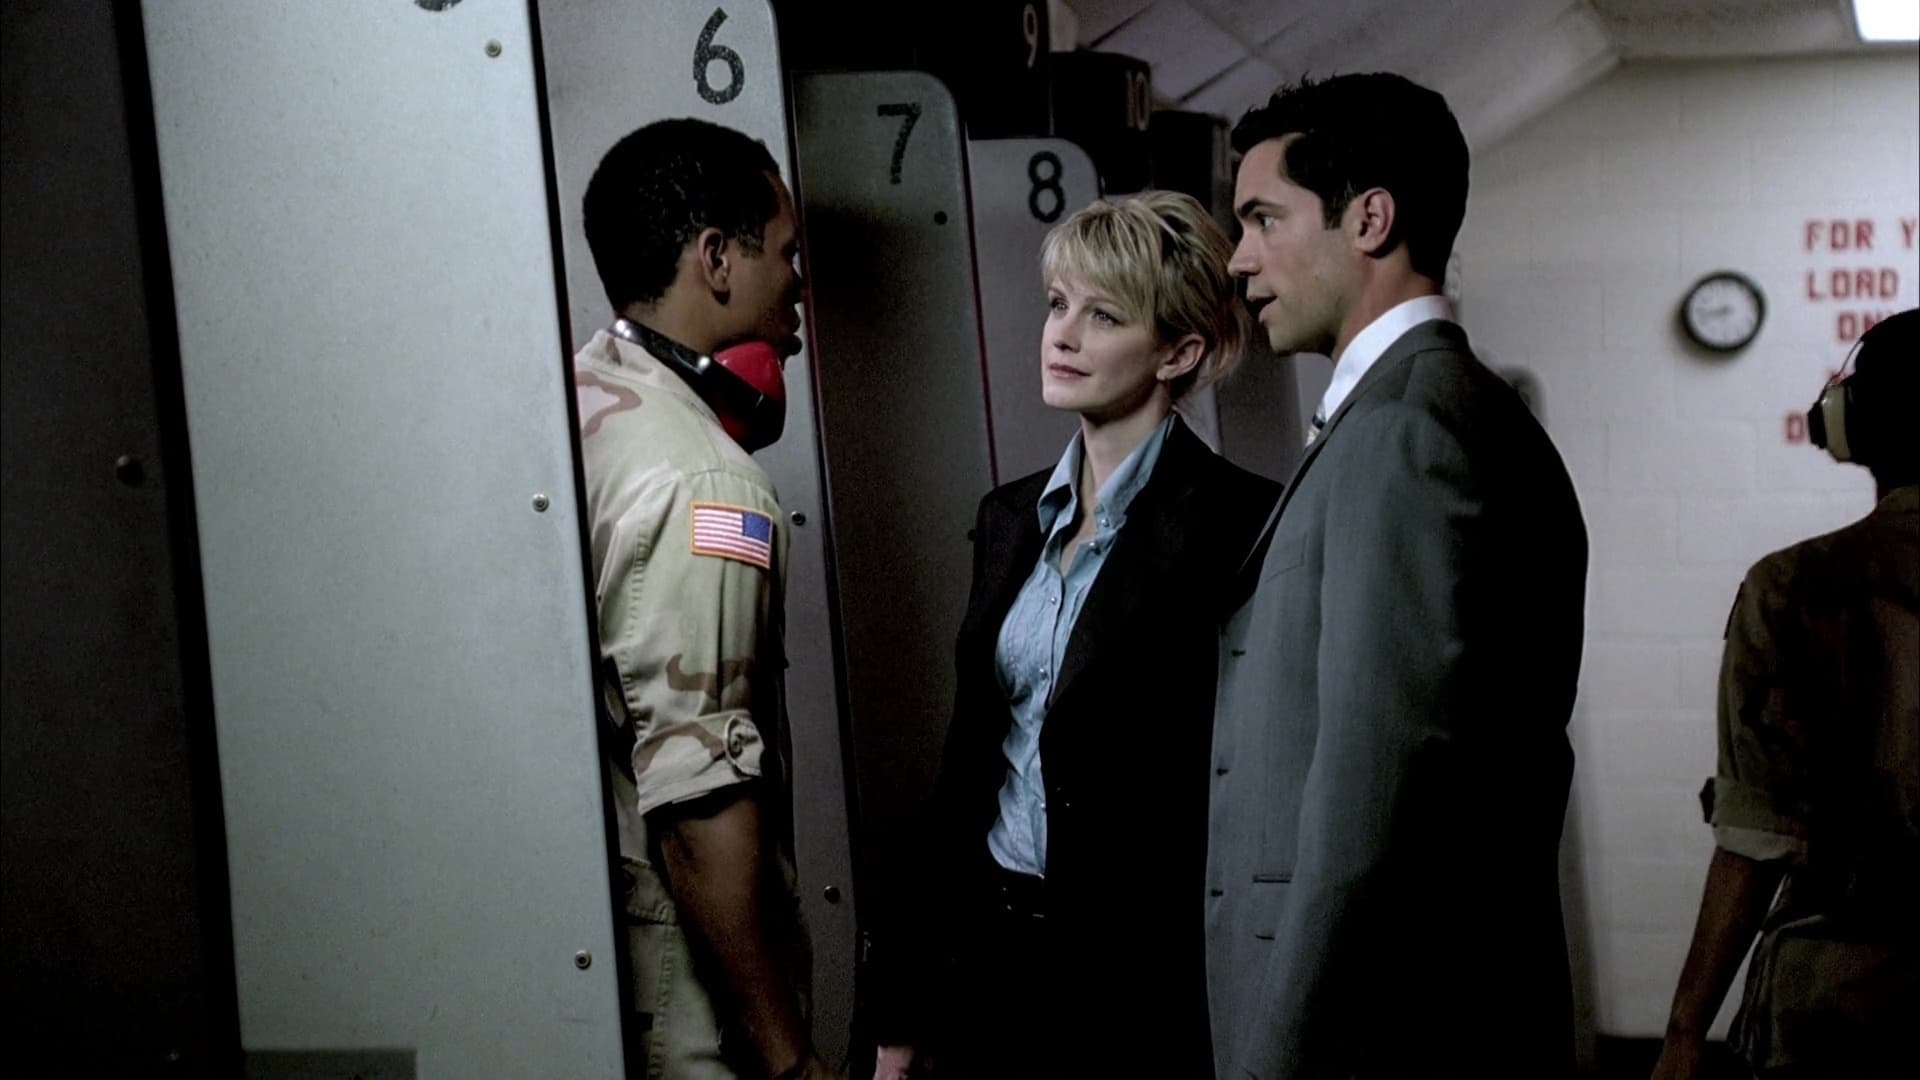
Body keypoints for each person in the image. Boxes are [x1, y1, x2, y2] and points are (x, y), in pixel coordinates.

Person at [1206, 73, 1588, 1078]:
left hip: (1382, 1032)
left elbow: (1370, 803)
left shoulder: (1404, 432)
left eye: (1263, 219)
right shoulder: (1447, 411)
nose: (1240, 258)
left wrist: (1278, 1057)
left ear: (1369, 219)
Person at [869, 191, 1281, 1079]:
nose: (1061, 335)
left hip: (1141, 984)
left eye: (1104, 316)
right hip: (989, 960)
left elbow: (1254, 786)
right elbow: (966, 770)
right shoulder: (1010, 516)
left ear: (1179, 352)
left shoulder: (1240, 524)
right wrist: (902, 1007)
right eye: (1059, 305)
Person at [575, 116, 832, 1080]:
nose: (799, 284)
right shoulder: (706, 484)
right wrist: (789, 1059)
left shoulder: (575, 408)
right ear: (717, 259)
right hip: (684, 1013)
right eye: (786, 254)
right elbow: (700, 807)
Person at [1652, 309, 1919, 1080]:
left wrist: (1683, 1035)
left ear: (1848, 426)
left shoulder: (1793, 588)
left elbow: (1754, 840)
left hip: (1836, 1015)